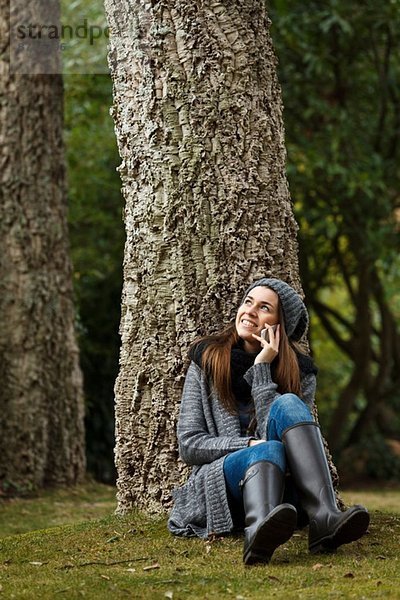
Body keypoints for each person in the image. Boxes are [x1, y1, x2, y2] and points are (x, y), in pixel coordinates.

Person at [168, 278, 369, 565]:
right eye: (248, 302)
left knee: (286, 406)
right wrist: (249, 444)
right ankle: (257, 528)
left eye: (264, 308)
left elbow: (272, 436)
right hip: (220, 487)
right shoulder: (207, 358)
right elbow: (189, 445)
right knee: (267, 448)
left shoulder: (301, 374)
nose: (250, 311)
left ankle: (324, 518)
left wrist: (262, 368)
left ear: (279, 326)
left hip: (279, 496)